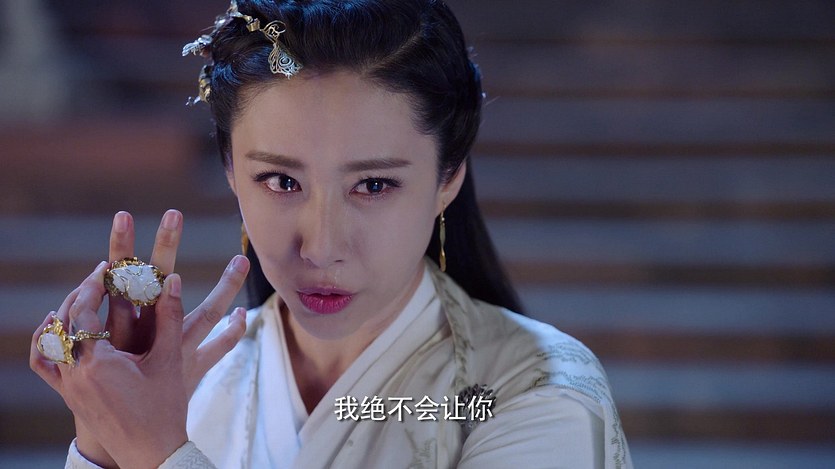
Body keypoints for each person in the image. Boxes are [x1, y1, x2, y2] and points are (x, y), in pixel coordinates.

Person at [30, 1, 632, 467]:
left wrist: (156, 453)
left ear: (448, 178)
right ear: (230, 171)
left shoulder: (534, 391)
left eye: (373, 185)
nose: (320, 247)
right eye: (281, 181)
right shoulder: (195, 384)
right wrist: (103, 439)